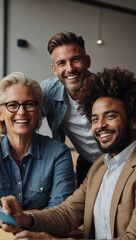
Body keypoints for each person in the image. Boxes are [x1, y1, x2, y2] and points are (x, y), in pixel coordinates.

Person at [1, 67, 136, 240]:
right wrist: (25, 218)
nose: (100, 125)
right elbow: (67, 213)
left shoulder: (58, 152)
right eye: (94, 119)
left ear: (133, 121)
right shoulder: (100, 166)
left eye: (109, 116)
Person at [0, 72, 75, 211]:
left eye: (29, 104)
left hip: (43, 233)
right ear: (1, 114)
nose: (21, 112)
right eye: (12, 105)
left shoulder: (58, 153)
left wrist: (22, 220)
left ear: (38, 111)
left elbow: (59, 213)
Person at [41, 31, 102, 187]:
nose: (70, 68)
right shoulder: (47, 92)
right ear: (54, 69)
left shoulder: (107, 89)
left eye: (75, 60)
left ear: (87, 61)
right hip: (87, 165)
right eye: (61, 63)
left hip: (120, 160)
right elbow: (25, 119)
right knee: (84, 211)